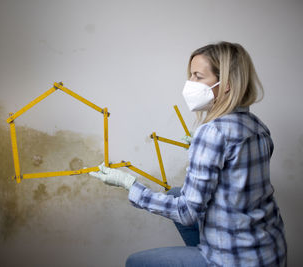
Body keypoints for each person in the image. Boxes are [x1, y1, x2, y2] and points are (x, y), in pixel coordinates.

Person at [89, 41, 287, 266]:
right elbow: (236, 176)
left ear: (227, 84)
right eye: (190, 75)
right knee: (175, 192)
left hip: (234, 259)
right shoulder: (257, 125)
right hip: (269, 251)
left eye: (198, 76)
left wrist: (130, 185)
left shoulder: (212, 132)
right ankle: (202, 252)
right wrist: (207, 151)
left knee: (135, 262)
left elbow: (186, 213)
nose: (190, 83)